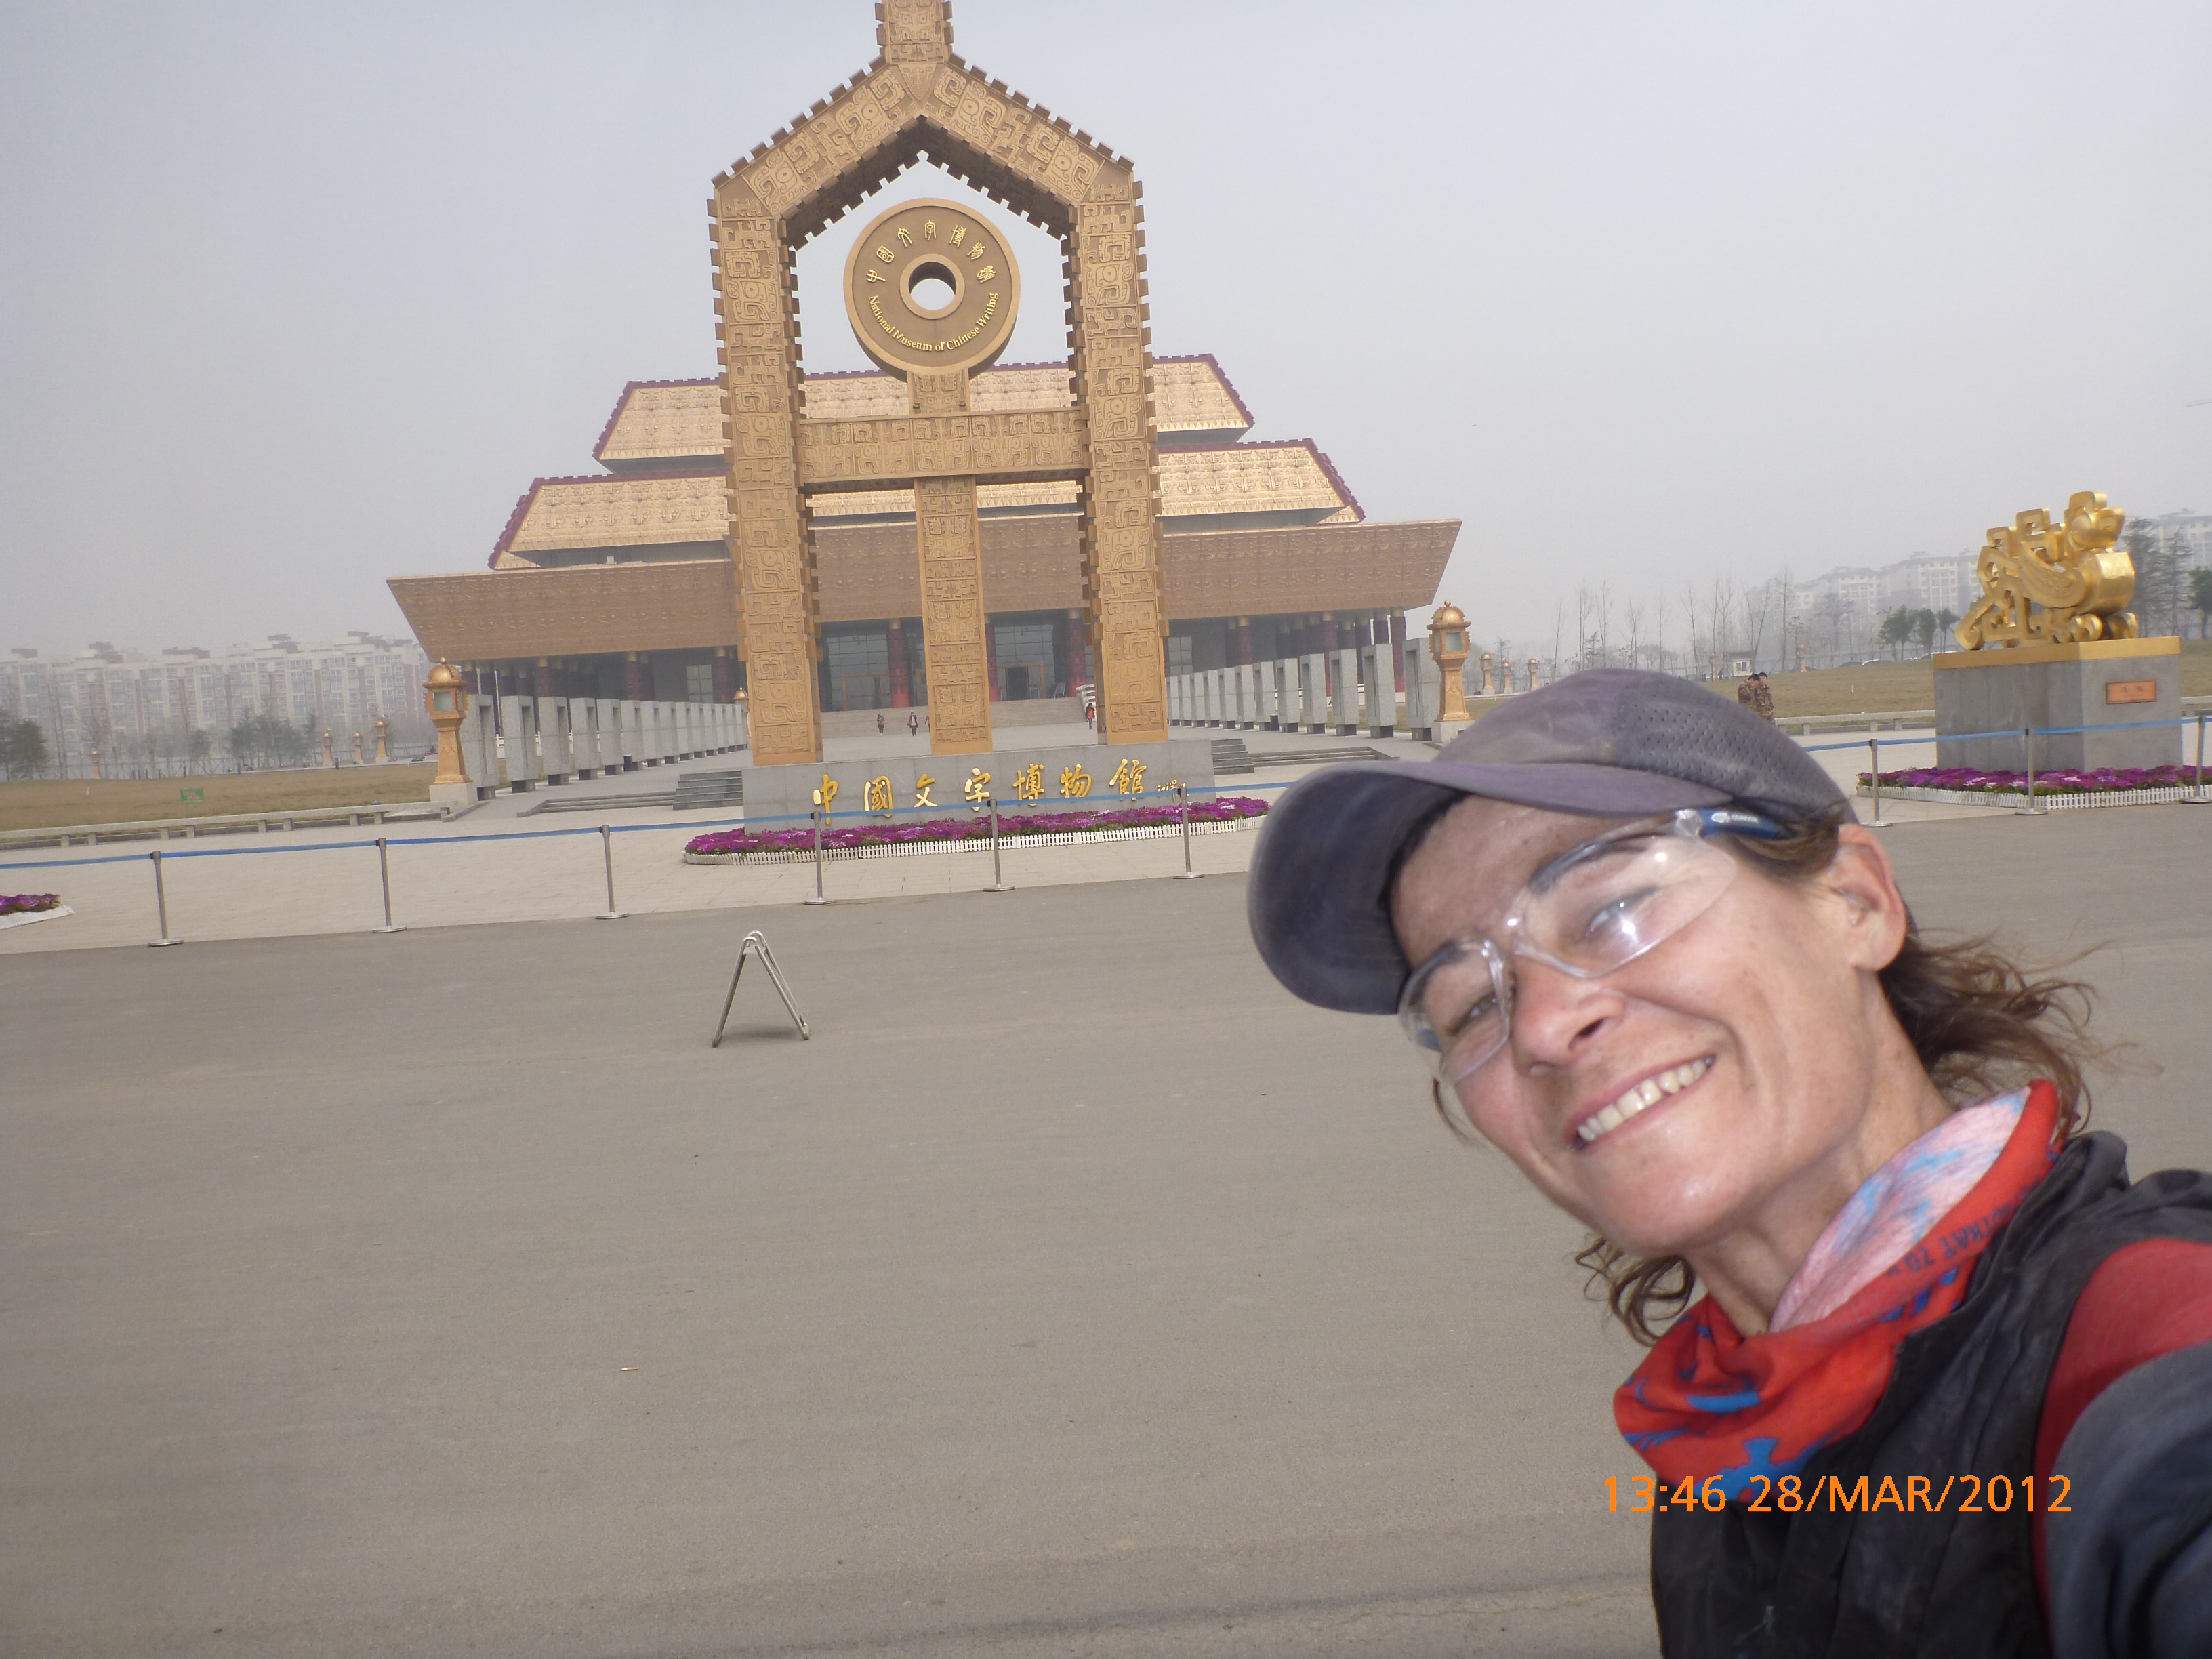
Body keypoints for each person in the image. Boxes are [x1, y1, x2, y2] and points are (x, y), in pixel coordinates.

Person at [1246, 669, 2212, 1656]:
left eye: (1613, 909)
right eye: (1472, 1005)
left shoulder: (2140, 1349)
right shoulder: (1719, 1446)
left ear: (1855, 901)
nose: (1539, 1025)